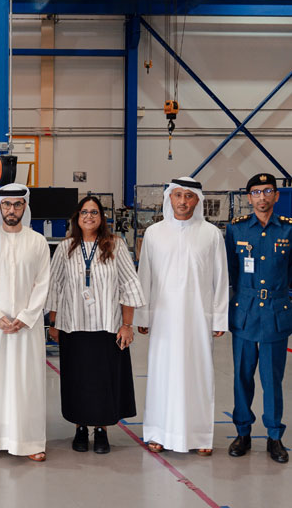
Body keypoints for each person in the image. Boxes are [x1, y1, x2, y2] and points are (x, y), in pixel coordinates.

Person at [135, 177, 229, 455]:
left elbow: (221, 279)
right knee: (162, 376)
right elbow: (145, 276)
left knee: (198, 376)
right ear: (169, 198)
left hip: (198, 319)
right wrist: (143, 316)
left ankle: (199, 436)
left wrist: (219, 318)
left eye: (189, 196)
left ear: (198, 200)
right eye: (178, 195)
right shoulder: (154, 233)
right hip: (163, 319)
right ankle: (158, 433)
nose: (183, 201)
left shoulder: (211, 234)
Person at [46, 196, 145, 454]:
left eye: (94, 212)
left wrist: (127, 325)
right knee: (77, 380)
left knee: (104, 382)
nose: (89, 216)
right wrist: (53, 322)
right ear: (77, 218)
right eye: (84, 212)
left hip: (107, 326)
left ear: (101, 218)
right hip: (73, 326)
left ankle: (102, 430)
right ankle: (80, 427)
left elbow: (129, 284)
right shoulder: (65, 248)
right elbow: (55, 285)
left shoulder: (116, 245)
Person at [0, 184, 50, 462]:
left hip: (27, 327)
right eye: (7, 204)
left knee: (26, 383)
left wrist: (25, 317)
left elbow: (43, 283)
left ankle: (29, 441)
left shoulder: (37, 242)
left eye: (17, 204)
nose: (12, 210)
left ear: (25, 207)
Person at [225, 173, 291, 463]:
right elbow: (230, 271)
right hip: (245, 311)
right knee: (242, 376)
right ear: (248, 197)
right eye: (256, 192)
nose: (261, 196)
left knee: (272, 379)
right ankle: (243, 433)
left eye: (267, 191)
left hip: (276, 313)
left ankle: (274, 436)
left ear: (276, 195)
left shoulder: (288, 230)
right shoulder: (236, 229)